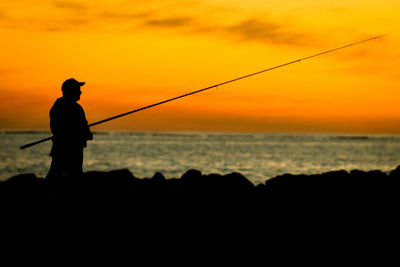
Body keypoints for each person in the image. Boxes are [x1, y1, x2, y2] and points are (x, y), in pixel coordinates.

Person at [46, 78, 93, 178]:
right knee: (71, 178)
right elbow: (58, 129)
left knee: (56, 177)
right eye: (78, 89)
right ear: (71, 91)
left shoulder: (57, 107)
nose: (80, 92)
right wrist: (85, 134)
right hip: (69, 151)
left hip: (63, 149)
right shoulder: (75, 109)